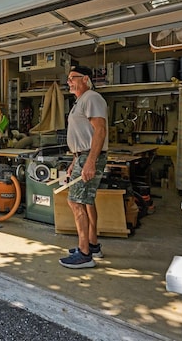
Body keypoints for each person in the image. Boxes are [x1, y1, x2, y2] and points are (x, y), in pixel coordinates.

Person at [59, 65, 108, 269]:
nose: (69, 81)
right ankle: (92, 244)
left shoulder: (91, 97)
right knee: (86, 201)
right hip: (82, 156)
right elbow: (83, 136)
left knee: (75, 201)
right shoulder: (81, 101)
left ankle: (84, 253)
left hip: (89, 157)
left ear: (86, 79)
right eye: (68, 79)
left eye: (73, 78)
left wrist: (90, 161)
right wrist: (75, 161)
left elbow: (100, 131)